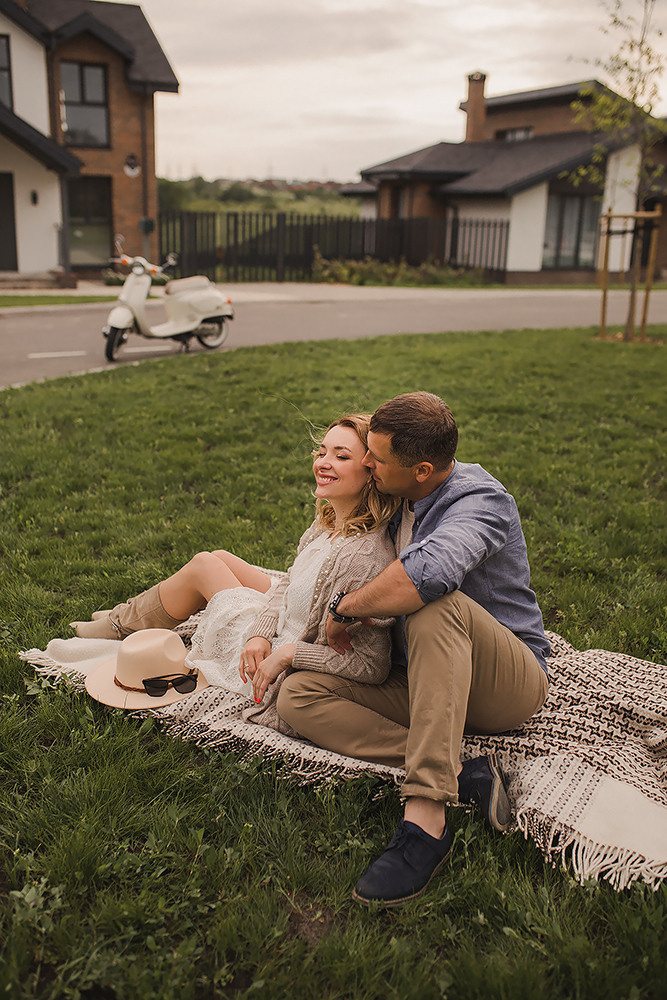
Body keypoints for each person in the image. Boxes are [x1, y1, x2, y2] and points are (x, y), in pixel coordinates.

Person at [276, 392, 551, 906]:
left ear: (422, 469)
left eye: (374, 459)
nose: (366, 463)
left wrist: (342, 609)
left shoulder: (479, 500)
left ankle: (426, 815)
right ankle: (465, 773)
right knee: (298, 696)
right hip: (421, 677)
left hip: (504, 684)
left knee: (434, 601)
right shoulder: (397, 493)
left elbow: (429, 574)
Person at [71, 415, 400, 711]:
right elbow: (290, 579)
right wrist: (262, 630)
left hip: (279, 655)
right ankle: (130, 615)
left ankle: (121, 624)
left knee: (204, 565)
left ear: (372, 472)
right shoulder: (329, 521)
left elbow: (370, 665)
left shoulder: (362, 558)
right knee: (220, 558)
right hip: (284, 622)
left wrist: (274, 647)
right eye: (322, 452)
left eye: (341, 456)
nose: (323, 463)